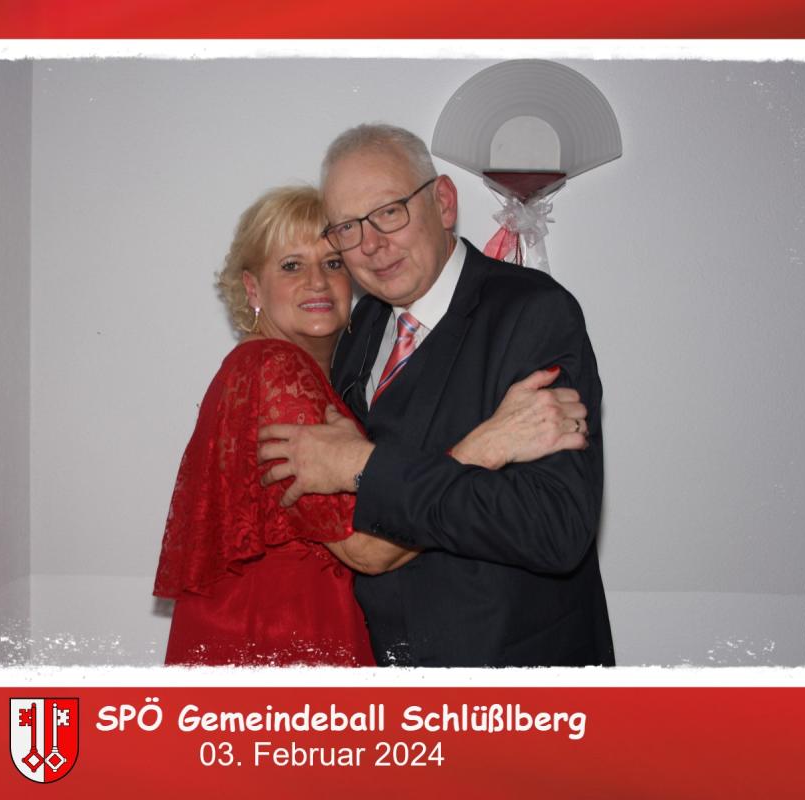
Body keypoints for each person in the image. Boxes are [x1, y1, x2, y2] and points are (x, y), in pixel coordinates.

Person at [154, 185, 590, 667]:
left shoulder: (299, 369)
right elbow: (368, 550)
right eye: (292, 266)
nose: (317, 282)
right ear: (253, 288)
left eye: (332, 263)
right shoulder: (276, 369)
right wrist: (488, 443)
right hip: (285, 647)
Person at [258, 125, 614, 667]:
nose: (371, 244)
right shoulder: (356, 330)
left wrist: (361, 465)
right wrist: (480, 449)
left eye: (390, 212)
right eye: (348, 228)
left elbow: (555, 528)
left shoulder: (533, 312)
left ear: (444, 202)